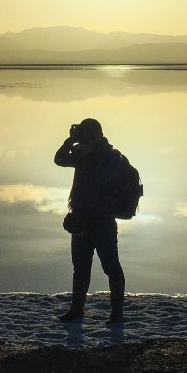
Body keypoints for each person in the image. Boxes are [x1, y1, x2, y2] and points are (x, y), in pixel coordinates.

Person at [54, 118, 126, 324]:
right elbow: (59, 159)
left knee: (111, 267)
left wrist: (87, 154)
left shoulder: (111, 157)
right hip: (80, 221)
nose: (83, 138)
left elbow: (103, 178)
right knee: (81, 268)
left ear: (96, 135)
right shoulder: (80, 153)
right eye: (82, 134)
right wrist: (70, 142)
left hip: (102, 222)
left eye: (86, 134)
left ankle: (117, 314)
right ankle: (76, 310)